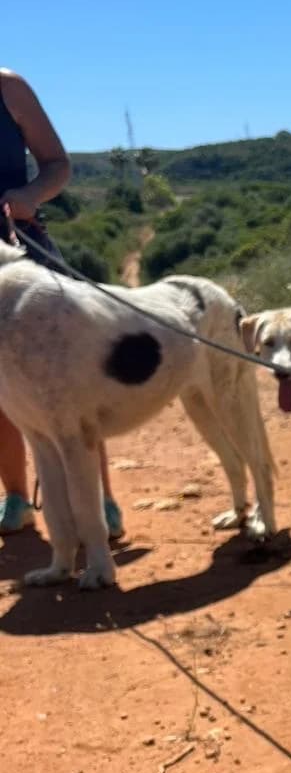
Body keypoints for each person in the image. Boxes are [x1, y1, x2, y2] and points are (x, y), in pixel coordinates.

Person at [0, 68, 123, 537]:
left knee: (67, 382)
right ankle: (15, 499)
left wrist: (29, 195)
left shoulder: (8, 87)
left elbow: (57, 165)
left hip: (21, 246)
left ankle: (101, 500)